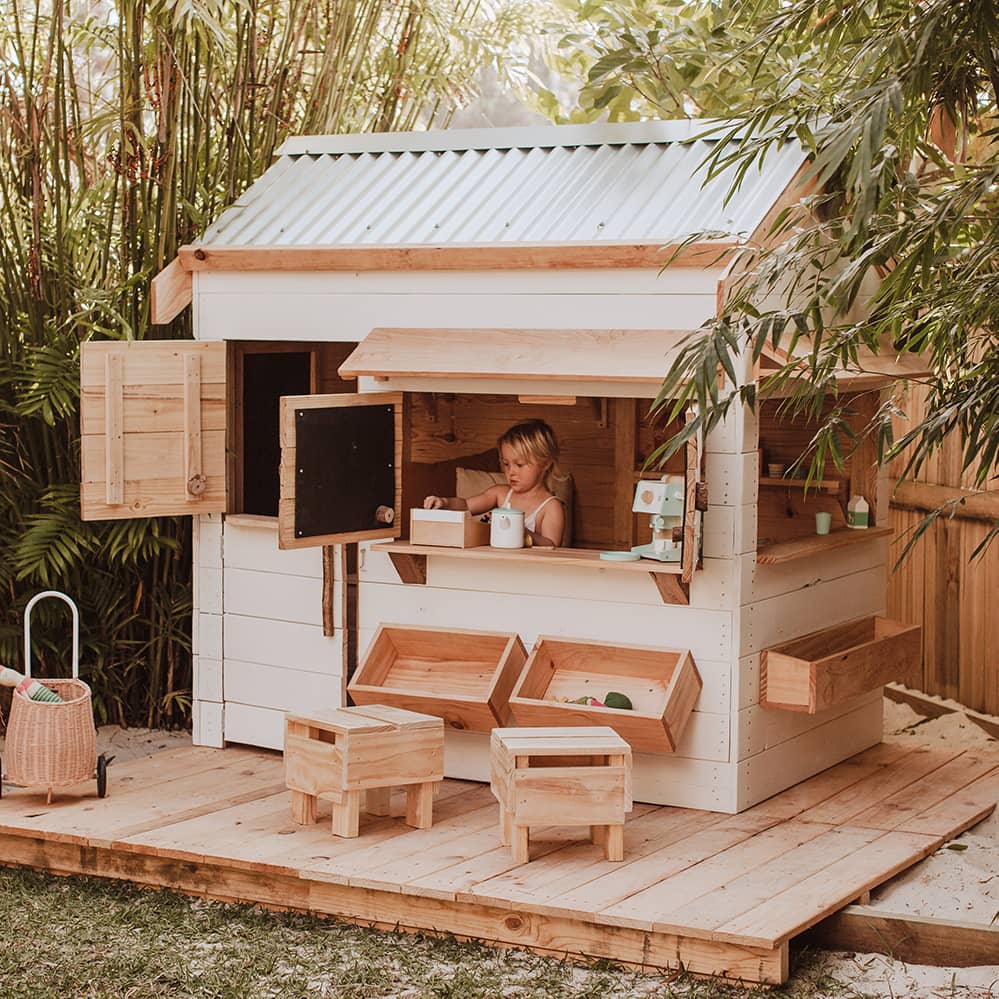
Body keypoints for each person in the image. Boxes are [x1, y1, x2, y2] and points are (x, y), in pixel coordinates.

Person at [424, 419, 566, 548]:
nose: (511, 472)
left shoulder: (551, 507)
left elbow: (551, 545)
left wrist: (523, 532)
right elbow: (466, 505)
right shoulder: (500, 494)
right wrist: (444, 502)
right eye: (506, 464)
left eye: (520, 465)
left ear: (546, 463)